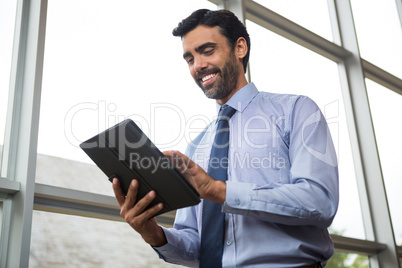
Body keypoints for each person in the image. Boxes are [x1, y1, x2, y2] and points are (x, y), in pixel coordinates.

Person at [112, 9, 339, 268]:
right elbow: (196, 246)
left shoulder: (296, 111)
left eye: (207, 51)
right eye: (189, 58)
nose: (197, 65)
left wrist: (218, 190)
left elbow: (320, 202)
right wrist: (153, 234)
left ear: (239, 47)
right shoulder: (196, 147)